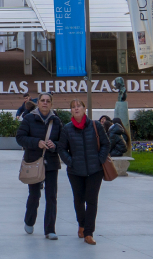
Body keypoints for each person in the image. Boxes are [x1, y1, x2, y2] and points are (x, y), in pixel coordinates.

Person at [57, 98, 111, 245]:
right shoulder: (67, 128)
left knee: (92, 201)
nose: (76, 109)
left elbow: (106, 144)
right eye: (73, 107)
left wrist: (99, 159)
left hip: (95, 171)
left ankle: (88, 232)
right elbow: (61, 148)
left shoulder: (95, 126)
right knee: (78, 200)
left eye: (79, 106)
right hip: (75, 171)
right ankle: (81, 224)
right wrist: (70, 161)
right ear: (71, 111)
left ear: (84, 109)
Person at [15, 92, 61, 239]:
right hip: (34, 162)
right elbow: (20, 138)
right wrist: (36, 142)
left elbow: (63, 142)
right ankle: (29, 221)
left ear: (51, 104)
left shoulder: (57, 121)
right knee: (34, 194)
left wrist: (54, 145)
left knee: (51, 196)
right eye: (42, 100)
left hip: (52, 162)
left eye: (48, 101)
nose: (45, 103)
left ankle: (50, 229)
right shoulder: (29, 118)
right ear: (38, 102)